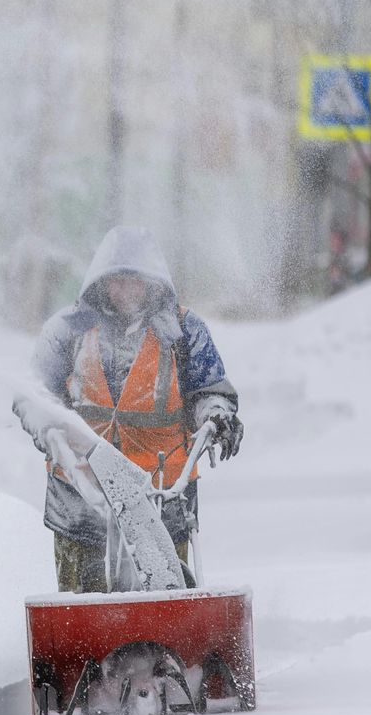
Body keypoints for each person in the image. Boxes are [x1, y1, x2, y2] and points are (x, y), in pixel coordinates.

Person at [32, 226, 242, 594]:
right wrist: (46, 427)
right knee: (82, 611)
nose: (126, 292)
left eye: (135, 282)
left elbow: (208, 389)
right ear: (100, 282)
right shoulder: (68, 329)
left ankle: (165, 652)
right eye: (117, 282)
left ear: (152, 283)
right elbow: (33, 393)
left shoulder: (183, 331)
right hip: (81, 494)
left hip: (161, 497)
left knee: (164, 599)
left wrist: (217, 415)